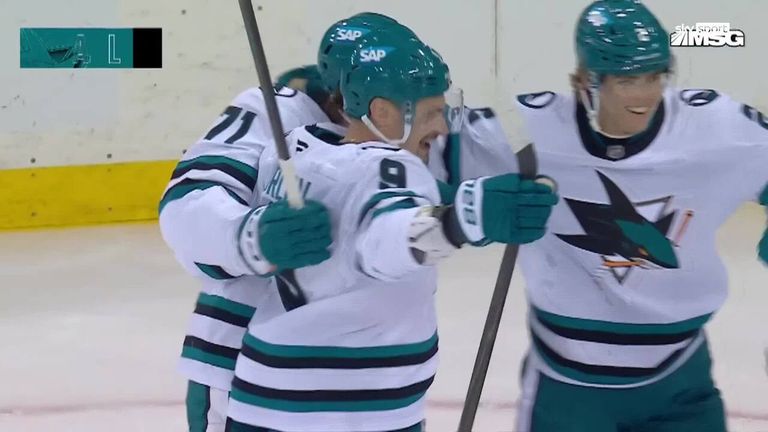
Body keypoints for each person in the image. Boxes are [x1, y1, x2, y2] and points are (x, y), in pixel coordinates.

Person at [225, 26, 558, 431]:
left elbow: (357, 207)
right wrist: (464, 220)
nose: (442, 128)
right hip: (347, 411)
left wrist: (469, 204)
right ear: (382, 112)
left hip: (262, 396)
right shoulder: (392, 169)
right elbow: (385, 238)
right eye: (431, 113)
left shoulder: (295, 150)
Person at [512, 1, 768, 431]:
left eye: (654, 77)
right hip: (568, 387)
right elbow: (432, 158)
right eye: (627, 80)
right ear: (583, 82)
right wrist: (467, 212)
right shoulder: (530, 130)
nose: (645, 95)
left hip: (680, 382)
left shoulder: (714, 127)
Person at [158, 13, 405, 432]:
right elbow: (186, 207)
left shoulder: (405, 127)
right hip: (245, 371)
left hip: (365, 378)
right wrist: (251, 237)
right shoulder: (272, 112)